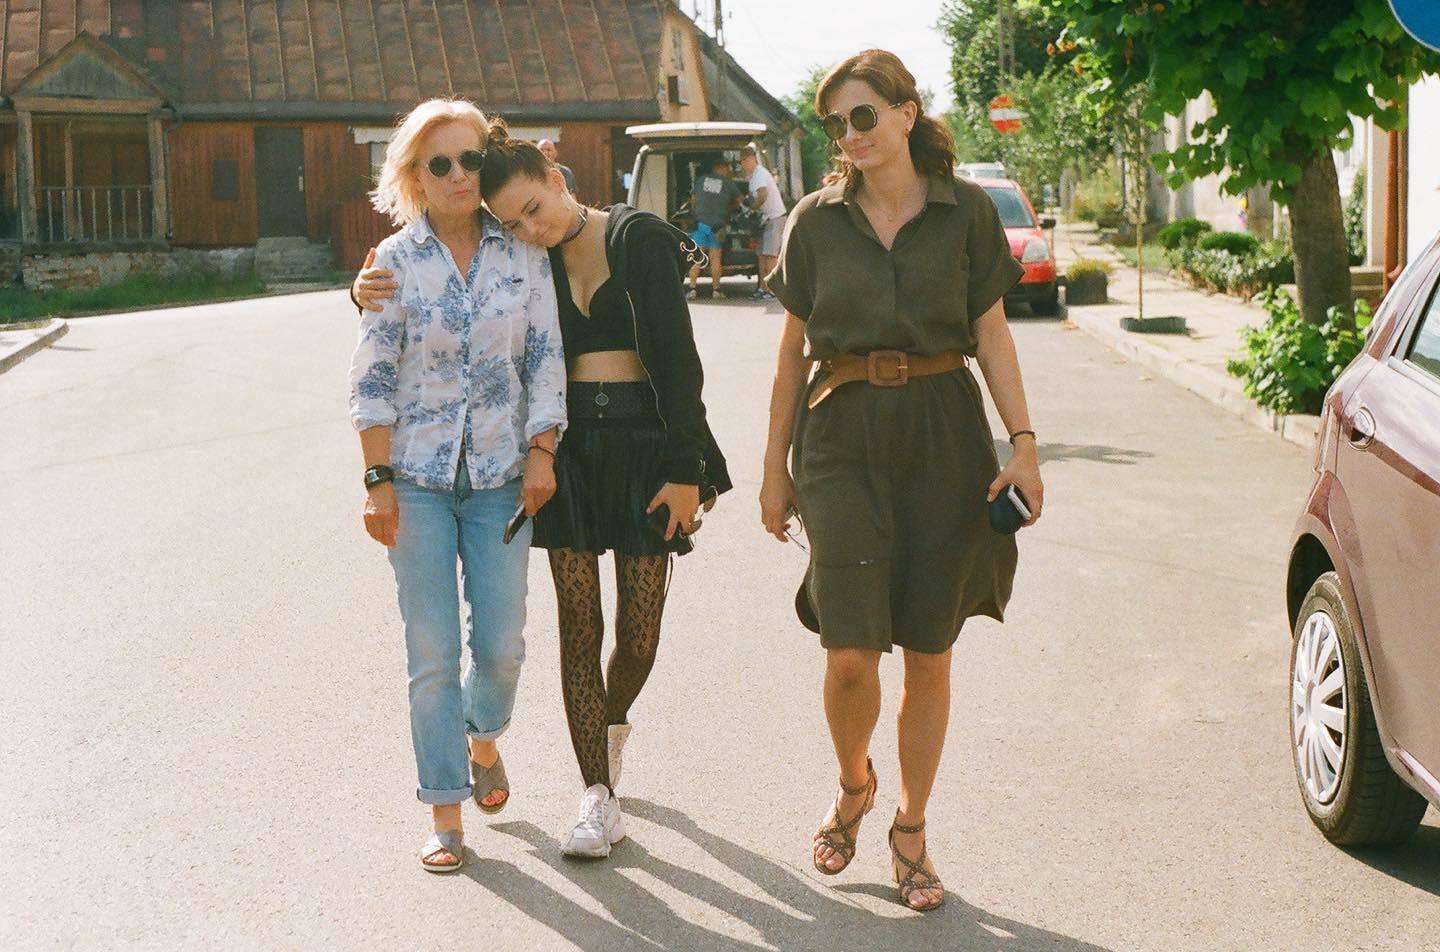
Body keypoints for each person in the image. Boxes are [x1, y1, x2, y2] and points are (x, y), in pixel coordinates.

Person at [353, 121, 731, 861]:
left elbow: (668, 364)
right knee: (553, 633)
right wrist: (359, 291)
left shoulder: (597, 243)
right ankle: (571, 795)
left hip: (617, 453)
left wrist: (683, 468)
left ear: (557, 179)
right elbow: (415, 327)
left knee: (613, 637)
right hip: (546, 458)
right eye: (516, 219)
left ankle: (588, 728)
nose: (530, 225)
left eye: (533, 207)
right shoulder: (494, 253)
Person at [759, 49, 1045, 911]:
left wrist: (1023, 446)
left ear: (906, 114)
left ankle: (911, 827)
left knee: (929, 646)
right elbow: (790, 355)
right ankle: (855, 784)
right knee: (850, 652)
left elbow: (992, 334)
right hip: (840, 434)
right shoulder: (814, 222)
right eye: (836, 123)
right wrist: (773, 467)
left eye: (864, 116)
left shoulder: (966, 214)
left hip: (943, 435)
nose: (849, 136)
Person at [349, 99, 567, 873]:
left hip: (503, 478)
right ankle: (445, 812)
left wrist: (543, 452)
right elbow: (373, 377)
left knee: (502, 646)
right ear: (415, 175)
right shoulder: (393, 262)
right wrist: (377, 479)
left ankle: (482, 739)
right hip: (417, 478)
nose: (457, 176)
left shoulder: (522, 252)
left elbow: (544, 356)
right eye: (438, 163)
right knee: (433, 650)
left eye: (469, 158)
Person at [686, 156, 740, 299]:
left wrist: (696, 211)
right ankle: (716, 290)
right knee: (715, 258)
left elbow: (693, 199)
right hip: (717, 226)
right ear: (721, 168)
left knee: (697, 257)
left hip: (701, 224)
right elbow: (739, 200)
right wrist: (730, 207)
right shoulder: (728, 183)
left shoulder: (701, 180)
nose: (728, 171)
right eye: (727, 168)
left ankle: (692, 289)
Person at [739, 145, 786, 300]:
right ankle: (762, 288)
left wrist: (752, 209)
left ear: (753, 159)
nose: (743, 164)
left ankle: (773, 290)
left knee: (770, 255)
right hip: (764, 220)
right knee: (761, 255)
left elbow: (763, 195)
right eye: (741, 161)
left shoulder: (760, 174)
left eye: (745, 160)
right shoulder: (752, 176)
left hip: (774, 218)